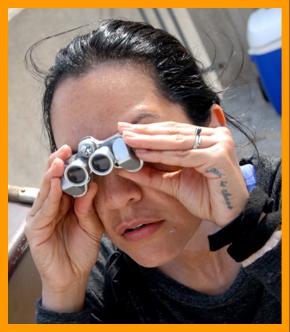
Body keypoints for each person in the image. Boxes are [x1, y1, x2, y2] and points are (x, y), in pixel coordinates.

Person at [25, 19, 281, 324]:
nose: (119, 197)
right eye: (86, 169)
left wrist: (253, 228)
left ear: (211, 127)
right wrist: (63, 291)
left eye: (138, 149)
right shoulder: (102, 287)